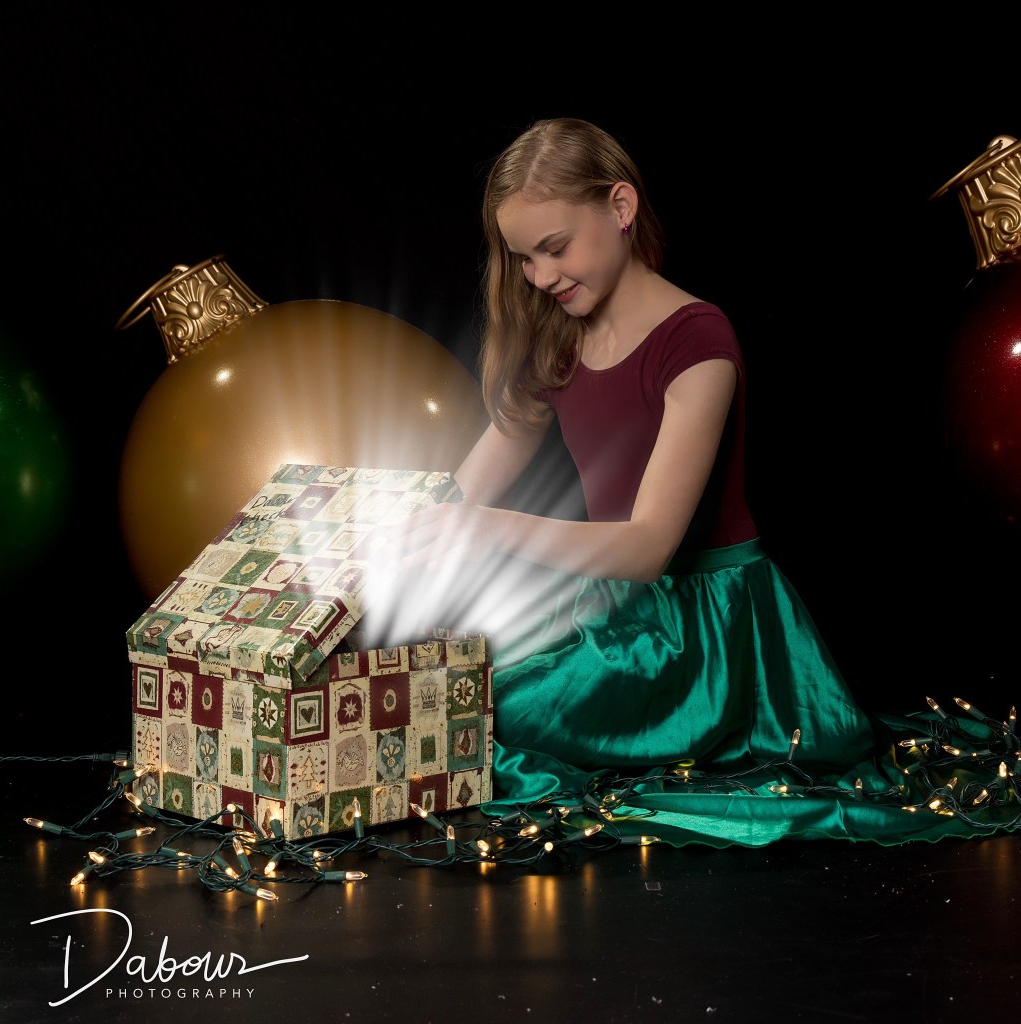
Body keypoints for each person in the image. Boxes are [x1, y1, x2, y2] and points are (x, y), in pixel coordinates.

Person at [375, 118, 1014, 848]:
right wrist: (379, 531)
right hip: (612, 611)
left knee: (482, 714)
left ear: (620, 208)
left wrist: (483, 530)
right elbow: (466, 488)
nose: (542, 277)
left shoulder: (698, 342)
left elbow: (649, 548)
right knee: (451, 690)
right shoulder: (555, 339)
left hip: (704, 631)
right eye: (523, 259)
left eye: (554, 248)